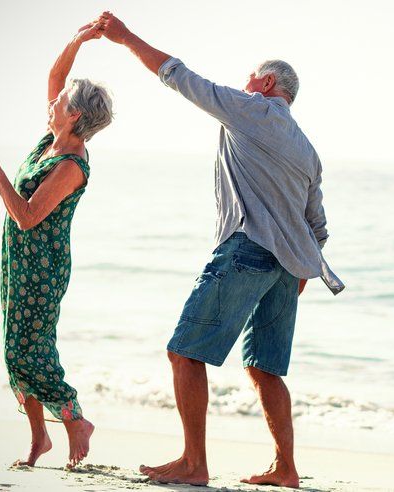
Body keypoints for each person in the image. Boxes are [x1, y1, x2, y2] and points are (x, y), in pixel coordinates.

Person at [98, 11, 343, 488]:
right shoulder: (308, 149)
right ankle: (286, 468)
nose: (243, 82)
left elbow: (180, 77)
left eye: (250, 77)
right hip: (287, 268)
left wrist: (125, 36)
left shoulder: (251, 108)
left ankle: (194, 462)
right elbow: (318, 224)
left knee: (184, 353)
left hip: (247, 249)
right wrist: (298, 274)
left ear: (267, 82)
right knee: (264, 367)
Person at [0, 20, 114, 468]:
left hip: (42, 264)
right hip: (17, 258)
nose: (52, 100)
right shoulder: (51, 140)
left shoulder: (72, 162)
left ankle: (74, 418)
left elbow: (29, 216)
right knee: (13, 348)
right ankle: (39, 439)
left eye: (61, 102)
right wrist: (77, 41)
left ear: (74, 115)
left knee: (26, 350)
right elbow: (56, 80)